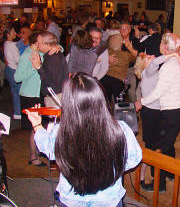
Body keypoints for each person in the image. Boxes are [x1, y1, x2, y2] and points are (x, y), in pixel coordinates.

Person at [25, 73, 142, 207]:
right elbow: (134, 158)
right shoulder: (120, 128)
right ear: (100, 98)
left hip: (71, 200)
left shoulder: (61, 130)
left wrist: (37, 125)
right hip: (109, 200)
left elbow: (50, 150)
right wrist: (110, 169)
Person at [135, 33, 180, 192]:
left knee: (160, 150)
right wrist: (174, 53)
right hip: (176, 110)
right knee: (166, 145)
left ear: (163, 47)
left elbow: (158, 92)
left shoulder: (170, 65)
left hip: (172, 112)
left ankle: (160, 185)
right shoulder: (173, 61)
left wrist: (140, 102)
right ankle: (170, 174)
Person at [14, 32, 46, 167]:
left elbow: (60, 48)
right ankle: (33, 157)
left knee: (40, 126)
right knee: (34, 128)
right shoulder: (26, 55)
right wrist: (34, 68)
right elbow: (17, 78)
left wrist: (58, 48)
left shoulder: (41, 53)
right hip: (29, 95)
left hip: (39, 93)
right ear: (36, 43)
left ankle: (38, 152)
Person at [29, 31, 68, 107]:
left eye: (38, 43)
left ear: (46, 44)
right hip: (53, 95)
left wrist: (39, 67)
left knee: (55, 118)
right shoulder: (50, 55)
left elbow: (52, 82)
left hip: (56, 97)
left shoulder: (54, 58)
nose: (36, 44)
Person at [3, 24, 21, 119]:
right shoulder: (12, 45)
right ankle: (18, 112)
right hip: (14, 70)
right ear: (8, 34)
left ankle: (17, 112)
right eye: (13, 31)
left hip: (9, 69)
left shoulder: (6, 43)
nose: (15, 33)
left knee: (14, 92)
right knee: (18, 92)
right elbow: (17, 60)